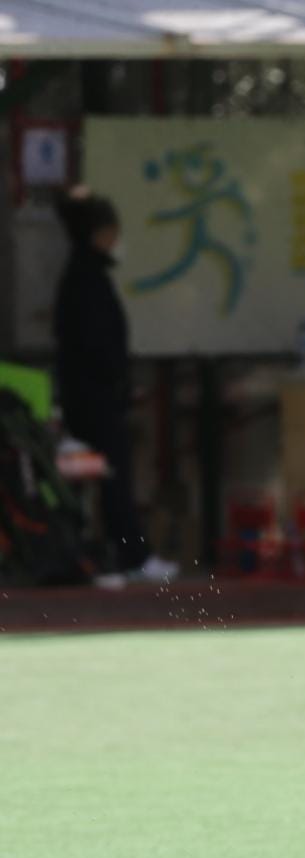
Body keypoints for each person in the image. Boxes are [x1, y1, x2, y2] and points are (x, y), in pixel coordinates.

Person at [51, 187, 179, 585]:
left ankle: (116, 556)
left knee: (106, 481)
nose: (117, 240)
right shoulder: (86, 280)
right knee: (113, 481)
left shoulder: (81, 275)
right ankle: (128, 557)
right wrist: (117, 383)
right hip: (96, 398)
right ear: (100, 233)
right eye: (113, 231)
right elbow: (97, 345)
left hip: (88, 395)